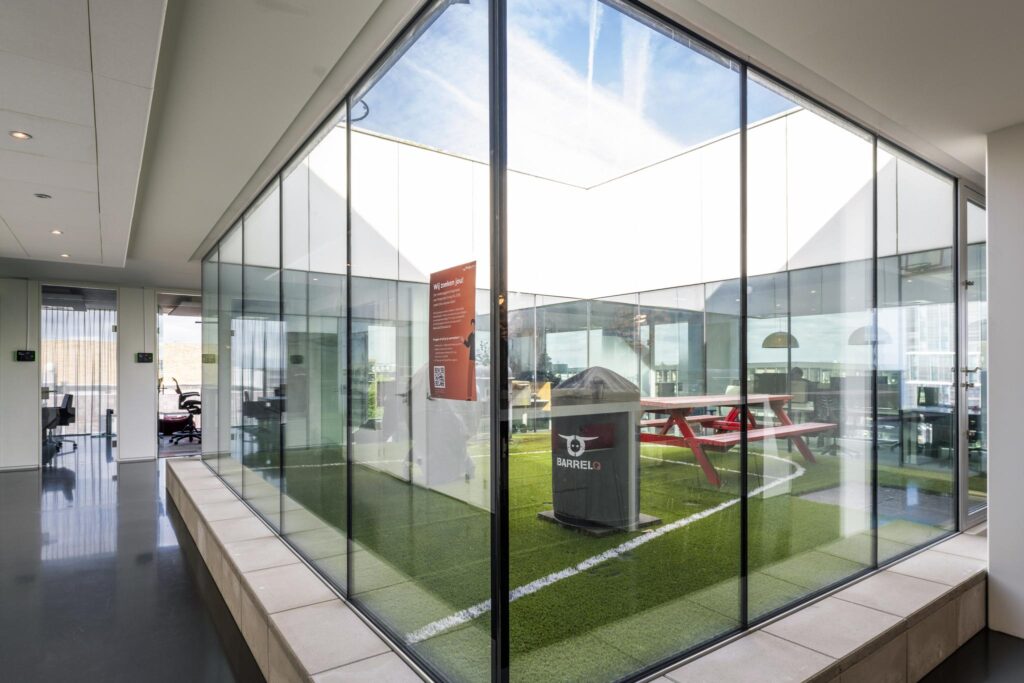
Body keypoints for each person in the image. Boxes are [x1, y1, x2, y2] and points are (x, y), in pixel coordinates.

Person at [463, 318, 476, 400]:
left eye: (474, 325)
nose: (473, 327)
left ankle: (476, 395)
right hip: (471, 357)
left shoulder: (479, 335)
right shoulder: (471, 335)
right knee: (470, 377)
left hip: (478, 358)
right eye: (472, 325)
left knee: (477, 376)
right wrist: (463, 341)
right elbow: (468, 345)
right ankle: (469, 396)